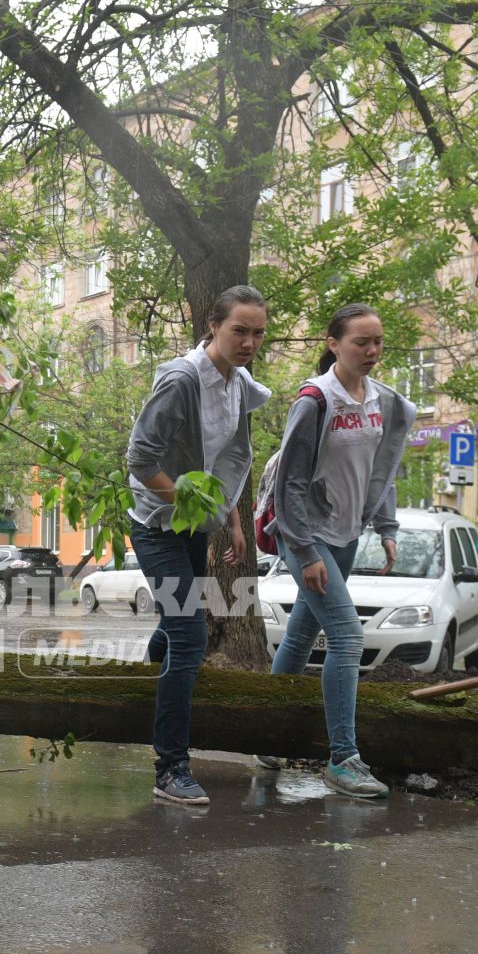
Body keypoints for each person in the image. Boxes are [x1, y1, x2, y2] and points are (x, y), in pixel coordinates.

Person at [258, 303, 416, 798]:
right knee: (347, 636)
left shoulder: (381, 402)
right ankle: (343, 758)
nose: (371, 352)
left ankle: (265, 736)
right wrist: (303, 552)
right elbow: (290, 483)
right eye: (360, 343)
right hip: (306, 531)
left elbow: (380, 469)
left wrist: (386, 527)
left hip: (347, 533)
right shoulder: (314, 401)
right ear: (333, 345)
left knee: (303, 633)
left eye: (377, 343)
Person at [125, 285, 270, 805]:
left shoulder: (237, 383)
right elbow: (141, 461)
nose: (249, 341)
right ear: (213, 326)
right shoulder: (182, 380)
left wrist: (230, 518)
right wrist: (190, 501)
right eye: (240, 330)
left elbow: (225, 457)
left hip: (196, 524)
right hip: (157, 525)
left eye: (258, 333)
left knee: (176, 624)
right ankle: (170, 768)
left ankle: (146, 687)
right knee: (188, 634)